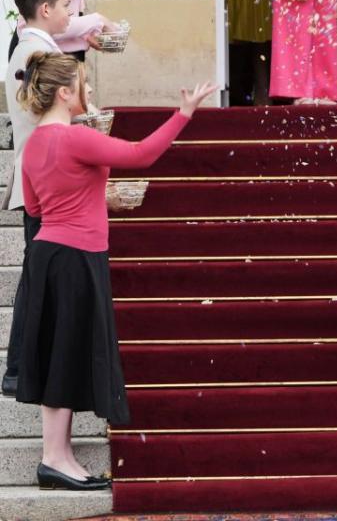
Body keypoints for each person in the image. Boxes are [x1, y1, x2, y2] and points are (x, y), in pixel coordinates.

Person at [15, 51, 217, 490]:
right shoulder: (76, 138)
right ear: (66, 93)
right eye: (84, 84)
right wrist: (183, 114)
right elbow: (141, 155)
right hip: (74, 257)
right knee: (65, 354)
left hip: (48, 253)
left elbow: (34, 207)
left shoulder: (34, 144)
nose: (89, 92)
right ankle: (53, 457)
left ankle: (61, 455)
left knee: (59, 353)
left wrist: (82, 198)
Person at [1, 0, 74, 399]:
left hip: (38, 181)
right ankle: (17, 367)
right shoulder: (33, 55)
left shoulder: (38, 48)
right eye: (66, 6)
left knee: (36, 277)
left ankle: (20, 365)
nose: (71, 13)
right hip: (42, 185)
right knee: (35, 279)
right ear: (45, 9)